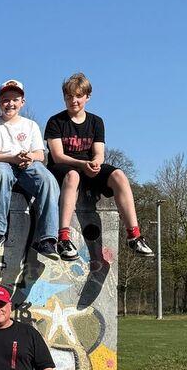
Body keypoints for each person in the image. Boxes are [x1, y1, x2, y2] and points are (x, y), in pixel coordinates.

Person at [44, 72, 155, 260]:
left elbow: (99, 153)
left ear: (87, 97)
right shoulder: (56, 121)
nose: (74, 101)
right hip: (63, 168)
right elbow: (58, 155)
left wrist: (95, 163)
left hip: (87, 167)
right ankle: (63, 238)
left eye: (78, 96)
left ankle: (134, 235)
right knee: (73, 176)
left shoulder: (96, 122)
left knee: (119, 175)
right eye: (69, 96)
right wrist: (82, 163)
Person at [0, 79, 60, 259]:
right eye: (6, 100)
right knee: (1, 172)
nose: (10, 104)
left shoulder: (30, 125)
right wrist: (13, 158)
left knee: (48, 180)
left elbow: (40, 154)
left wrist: (29, 158)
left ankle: (47, 239)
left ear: (22, 102)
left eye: (15, 99)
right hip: (2, 163)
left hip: (27, 165)